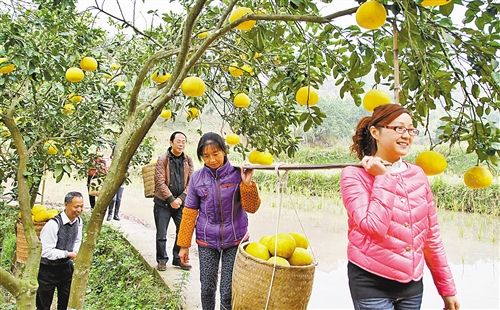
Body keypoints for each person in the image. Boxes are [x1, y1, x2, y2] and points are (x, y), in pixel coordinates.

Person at [340, 103, 460, 310]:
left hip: (412, 285)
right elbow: (373, 227)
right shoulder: (354, 175)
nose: (407, 135)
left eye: (411, 129)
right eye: (399, 128)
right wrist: (384, 178)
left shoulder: (418, 175)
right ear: (375, 132)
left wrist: (447, 290)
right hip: (371, 281)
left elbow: (431, 237)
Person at [177, 132, 261, 310]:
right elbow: (189, 212)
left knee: (227, 291)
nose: (212, 159)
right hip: (207, 240)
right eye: (206, 156)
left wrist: (247, 184)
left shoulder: (238, 174)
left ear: (224, 151)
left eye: (215, 154)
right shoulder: (197, 178)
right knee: (207, 289)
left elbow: (252, 208)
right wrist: (184, 245)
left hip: (235, 239)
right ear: (201, 157)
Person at [36, 191, 84, 310]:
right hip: (48, 269)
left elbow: (77, 240)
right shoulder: (53, 224)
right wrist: (66, 253)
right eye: (76, 206)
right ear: (66, 205)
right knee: (43, 304)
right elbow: (45, 251)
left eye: (81, 206)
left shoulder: (79, 221)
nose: (79, 210)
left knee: (65, 301)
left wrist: (75, 252)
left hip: (66, 268)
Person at [153, 131, 194, 271]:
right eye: (178, 141)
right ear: (171, 142)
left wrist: (181, 198)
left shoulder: (188, 160)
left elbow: (191, 182)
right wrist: (171, 199)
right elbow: (160, 182)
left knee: (182, 231)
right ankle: (162, 260)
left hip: (181, 202)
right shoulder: (163, 159)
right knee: (161, 233)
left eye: (183, 141)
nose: (181, 143)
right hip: (163, 203)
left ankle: (178, 259)